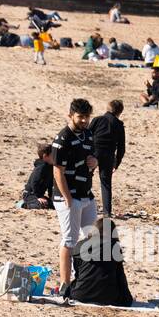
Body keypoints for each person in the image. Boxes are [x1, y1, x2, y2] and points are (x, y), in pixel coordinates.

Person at [50, 99, 99, 287]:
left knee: (91, 237)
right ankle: (65, 284)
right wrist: (67, 198)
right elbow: (57, 171)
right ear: (70, 115)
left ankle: (84, 280)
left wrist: (95, 162)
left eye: (87, 117)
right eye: (81, 117)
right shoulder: (63, 138)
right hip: (69, 196)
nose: (85, 121)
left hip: (87, 195)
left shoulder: (88, 135)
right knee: (69, 240)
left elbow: (92, 158)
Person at [66, 218, 134, 306]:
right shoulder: (114, 247)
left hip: (80, 295)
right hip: (108, 298)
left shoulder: (80, 246)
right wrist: (127, 298)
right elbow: (120, 277)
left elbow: (78, 274)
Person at [89, 100, 126, 216]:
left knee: (86, 177)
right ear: (120, 112)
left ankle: (85, 204)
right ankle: (107, 212)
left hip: (94, 152)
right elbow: (121, 147)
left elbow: (87, 135)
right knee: (106, 183)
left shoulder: (98, 119)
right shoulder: (119, 125)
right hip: (109, 155)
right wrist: (117, 163)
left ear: (107, 108)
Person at [20, 140, 55, 209]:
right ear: (45, 156)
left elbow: (50, 185)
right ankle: (23, 205)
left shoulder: (51, 167)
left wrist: (51, 197)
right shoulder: (41, 167)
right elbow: (34, 183)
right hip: (30, 194)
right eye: (53, 155)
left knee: (53, 205)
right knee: (41, 204)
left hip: (39, 195)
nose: (55, 157)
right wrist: (39, 197)